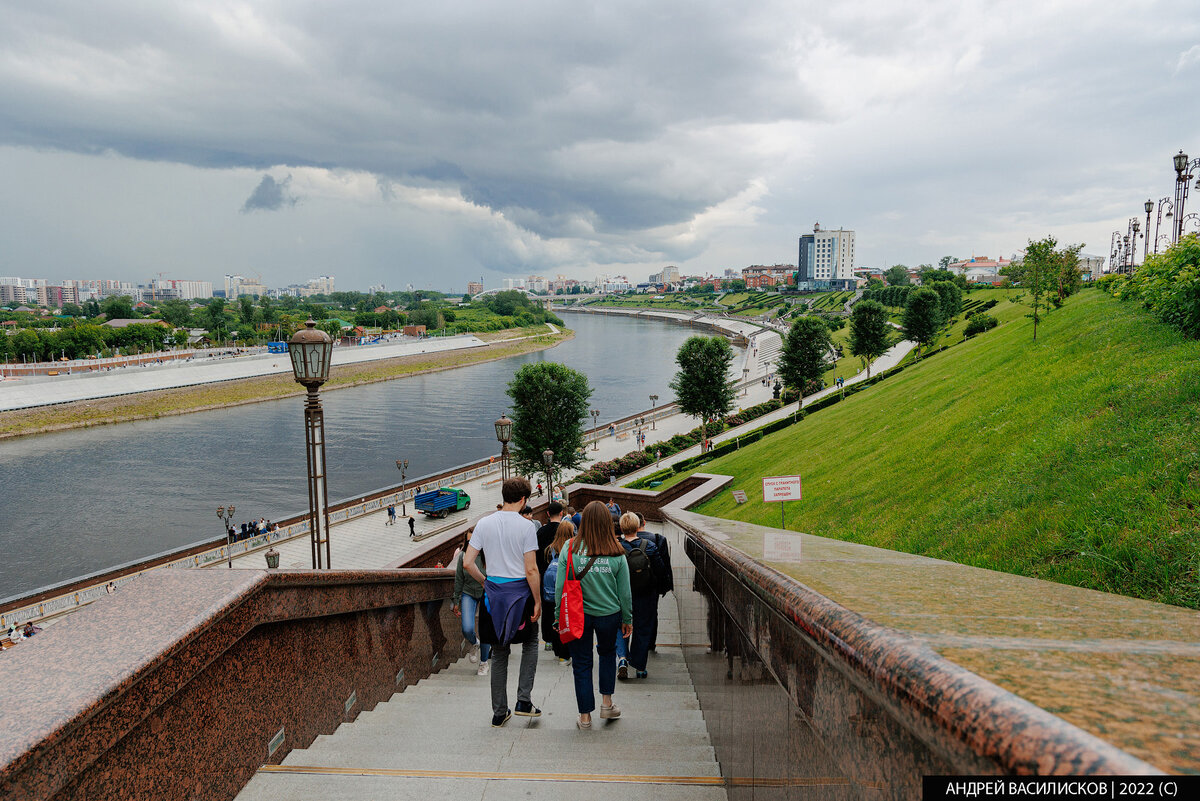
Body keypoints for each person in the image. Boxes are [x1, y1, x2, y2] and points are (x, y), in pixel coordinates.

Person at [463, 477, 542, 728]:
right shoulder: (527, 527)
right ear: (523, 500)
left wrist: (485, 581)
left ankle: (499, 712)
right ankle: (523, 701)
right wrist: (538, 601)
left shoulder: (484, 524)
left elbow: (467, 563)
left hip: (493, 596)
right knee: (530, 642)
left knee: (499, 652)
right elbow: (531, 570)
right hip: (521, 594)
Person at [554, 501, 632, 730]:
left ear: (584, 522)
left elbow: (560, 587)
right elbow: (625, 592)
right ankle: (607, 703)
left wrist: (558, 616)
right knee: (607, 655)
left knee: (581, 663)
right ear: (608, 523)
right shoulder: (617, 551)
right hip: (610, 614)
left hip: (579, 615)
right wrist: (627, 618)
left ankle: (585, 717)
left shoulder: (570, 547)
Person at [614, 512, 668, 679]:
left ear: (622, 528)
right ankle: (639, 666)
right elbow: (660, 570)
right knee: (643, 628)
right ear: (638, 526)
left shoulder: (616, 548)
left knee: (621, 625)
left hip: (622, 595)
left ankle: (622, 658)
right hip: (646, 594)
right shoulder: (650, 546)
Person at [534, 503, 570, 658]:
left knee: (548, 608)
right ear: (561, 513)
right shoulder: (567, 534)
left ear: (548, 513)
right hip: (564, 580)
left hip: (545, 577)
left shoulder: (541, 531)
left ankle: (548, 639)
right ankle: (563, 638)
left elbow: (535, 557)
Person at [453, 535, 491, 676]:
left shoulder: (488, 554)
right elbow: (459, 578)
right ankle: (475, 642)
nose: (472, 544)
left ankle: (484, 662)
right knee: (467, 628)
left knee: (485, 628)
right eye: (469, 541)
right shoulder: (463, 556)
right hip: (468, 592)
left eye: (474, 540)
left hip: (486, 593)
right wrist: (456, 600)